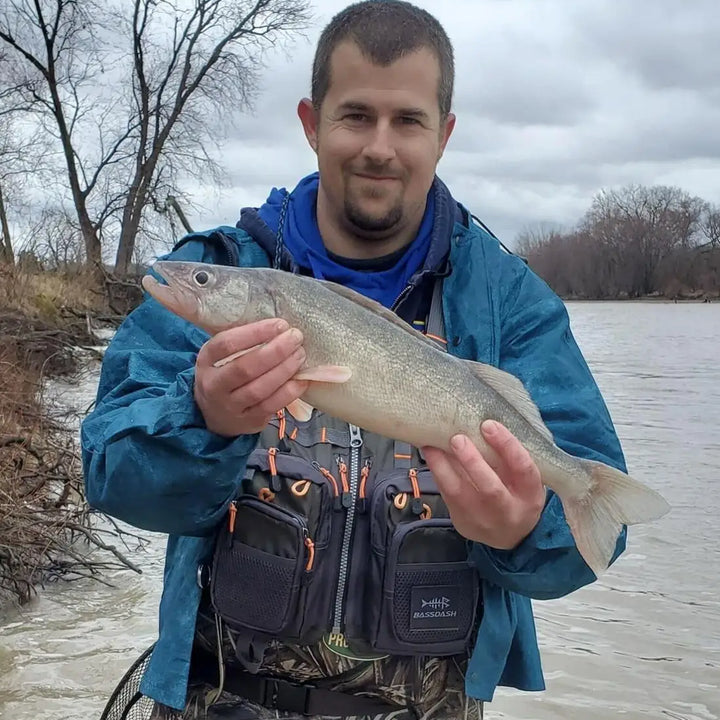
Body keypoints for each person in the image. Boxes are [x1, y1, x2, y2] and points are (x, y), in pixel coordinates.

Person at [81, 2, 629, 718]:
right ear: (312, 123)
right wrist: (202, 415)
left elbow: (595, 537)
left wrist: (526, 531)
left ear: (445, 133)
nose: (379, 146)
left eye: (407, 120)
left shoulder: (512, 304)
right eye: (354, 116)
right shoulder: (217, 272)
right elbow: (111, 475)